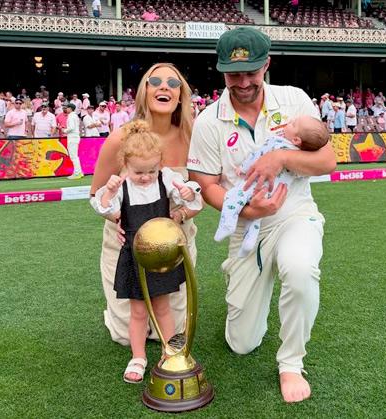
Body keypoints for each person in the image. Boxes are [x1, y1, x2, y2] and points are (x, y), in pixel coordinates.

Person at [188, 27, 337, 403]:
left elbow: (327, 160)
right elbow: (206, 184)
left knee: (300, 270)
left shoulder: (294, 100)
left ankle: (291, 363)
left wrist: (281, 157)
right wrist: (250, 208)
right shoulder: (208, 120)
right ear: (221, 71)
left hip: (294, 214)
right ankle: (248, 278)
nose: (242, 82)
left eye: (251, 72)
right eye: (233, 74)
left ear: (266, 65)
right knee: (241, 343)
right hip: (245, 226)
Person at [90, 63, 202, 349]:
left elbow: (200, 193)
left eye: (173, 83)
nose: (164, 86)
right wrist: (119, 219)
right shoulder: (120, 138)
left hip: (174, 245)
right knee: (126, 336)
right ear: (145, 91)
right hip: (127, 246)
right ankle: (115, 315)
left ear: (181, 95)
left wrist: (180, 215)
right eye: (156, 81)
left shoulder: (195, 138)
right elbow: (96, 194)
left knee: (172, 335)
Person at [213, 115, 330, 257]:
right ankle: (249, 241)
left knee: (232, 196)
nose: (289, 122)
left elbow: (257, 157)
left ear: (296, 139)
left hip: (254, 185)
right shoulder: (300, 155)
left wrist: (243, 168)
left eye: (293, 124)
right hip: (272, 194)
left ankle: (227, 224)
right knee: (256, 217)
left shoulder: (276, 143)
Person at [63, 104, 84, 179]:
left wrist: (64, 130)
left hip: (72, 138)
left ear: (70, 108)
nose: (66, 109)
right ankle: (79, 172)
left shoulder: (71, 116)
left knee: (73, 156)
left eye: (67, 108)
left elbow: (71, 127)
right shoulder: (74, 116)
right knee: (75, 156)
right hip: (74, 137)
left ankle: (77, 173)